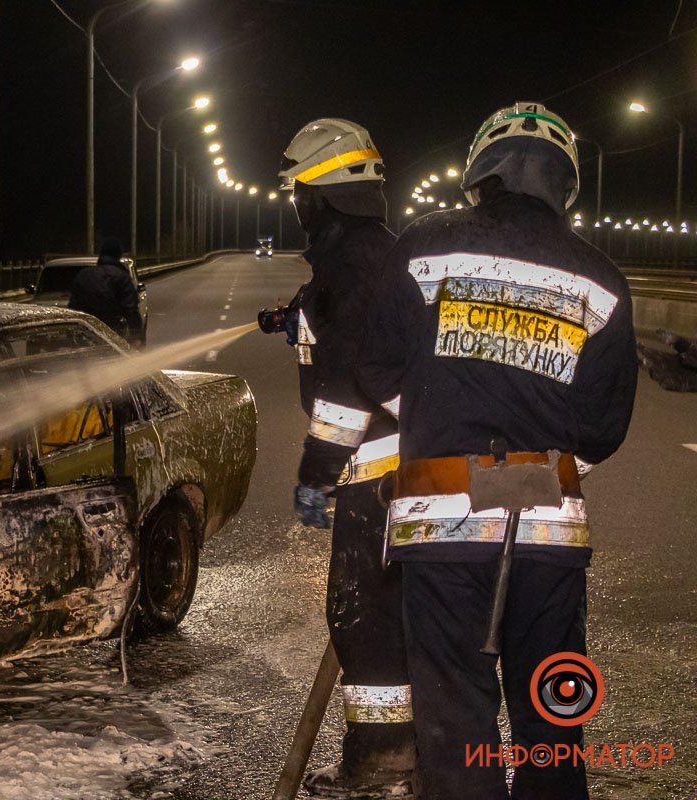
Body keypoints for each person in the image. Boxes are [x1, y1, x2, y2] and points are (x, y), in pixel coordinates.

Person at [358, 102, 637, 799]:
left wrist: (433, 411)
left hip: (443, 528)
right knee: (552, 721)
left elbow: (375, 367)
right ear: (565, 183)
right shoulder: (601, 280)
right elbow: (601, 427)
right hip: (549, 532)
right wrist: (529, 474)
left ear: (481, 173)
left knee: (457, 725)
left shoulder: (426, 245)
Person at [273, 118, 415, 798]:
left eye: (299, 191)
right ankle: (407, 754)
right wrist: (291, 319)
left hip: (379, 468)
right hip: (409, 462)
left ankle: (385, 759)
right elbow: (333, 323)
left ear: (320, 193)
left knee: (361, 614)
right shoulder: (375, 254)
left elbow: (345, 391)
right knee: (392, 615)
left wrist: (316, 475)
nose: (295, 204)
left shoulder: (345, 266)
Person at [68, 237, 145, 347]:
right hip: (111, 333)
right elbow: (130, 309)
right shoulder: (121, 277)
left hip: (84, 333)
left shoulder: (83, 274)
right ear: (118, 255)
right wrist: (137, 337)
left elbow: (73, 307)